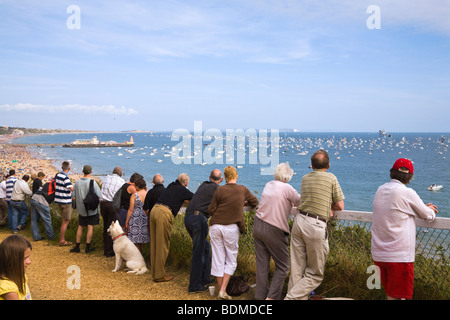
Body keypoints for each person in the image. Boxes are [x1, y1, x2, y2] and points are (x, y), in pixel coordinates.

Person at [371, 158, 438, 300]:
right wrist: (428, 209)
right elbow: (428, 216)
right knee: (401, 297)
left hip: (379, 254)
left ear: (392, 173)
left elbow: (396, 208)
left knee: (390, 295)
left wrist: (416, 209)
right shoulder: (408, 193)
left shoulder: (380, 189)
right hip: (398, 256)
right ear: (410, 177)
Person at [285, 150, 344, 300]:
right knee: (315, 274)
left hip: (299, 221)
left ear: (311, 165)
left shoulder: (305, 178)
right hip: (315, 225)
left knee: (297, 269)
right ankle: (290, 298)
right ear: (329, 165)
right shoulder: (331, 178)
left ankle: (293, 296)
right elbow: (340, 205)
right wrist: (328, 206)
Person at [208, 166, 259, 300]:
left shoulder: (220, 189)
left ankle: (221, 291)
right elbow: (255, 202)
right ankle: (223, 291)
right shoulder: (242, 189)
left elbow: (211, 209)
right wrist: (242, 202)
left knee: (218, 259)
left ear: (224, 177)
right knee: (231, 260)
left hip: (216, 226)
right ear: (236, 176)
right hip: (230, 227)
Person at [253, 162, 301, 300]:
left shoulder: (269, 184)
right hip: (273, 228)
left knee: (262, 265)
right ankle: (272, 297)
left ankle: (260, 297)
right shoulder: (287, 188)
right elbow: (299, 201)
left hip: (258, 224)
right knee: (283, 265)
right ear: (287, 177)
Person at [149, 173, 194, 282]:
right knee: (162, 244)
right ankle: (159, 275)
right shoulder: (183, 190)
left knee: (154, 243)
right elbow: (194, 197)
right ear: (186, 183)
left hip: (154, 209)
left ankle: (155, 272)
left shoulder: (171, 185)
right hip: (164, 213)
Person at [184, 169, 223, 294]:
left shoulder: (203, 185)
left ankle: (205, 278)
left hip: (188, 218)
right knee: (198, 252)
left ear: (209, 177)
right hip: (199, 220)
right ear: (220, 180)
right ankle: (194, 286)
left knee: (205, 247)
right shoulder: (217, 189)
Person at [70, 165, 101, 253]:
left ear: (82, 171)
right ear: (91, 172)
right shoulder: (92, 182)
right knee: (90, 226)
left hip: (81, 209)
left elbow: (73, 197)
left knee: (80, 226)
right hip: (91, 208)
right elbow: (99, 195)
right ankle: (87, 247)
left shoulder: (77, 182)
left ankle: (77, 246)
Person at [100, 167, 126, 257]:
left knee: (105, 226)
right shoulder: (121, 182)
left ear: (112, 172)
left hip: (103, 204)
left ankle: (105, 247)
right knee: (112, 228)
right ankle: (110, 251)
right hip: (112, 205)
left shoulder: (106, 178)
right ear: (121, 174)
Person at [0, 234, 32, 300]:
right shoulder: (9, 289)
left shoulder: (20, 274)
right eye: (25, 258)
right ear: (11, 261)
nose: (29, 261)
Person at [125, 177, 149, 252]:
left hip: (135, 218)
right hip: (145, 217)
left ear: (137, 186)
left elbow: (130, 209)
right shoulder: (147, 194)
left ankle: (137, 258)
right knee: (141, 240)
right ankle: (141, 256)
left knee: (135, 241)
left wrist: (126, 222)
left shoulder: (134, 195)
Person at [30, 174, 56, 241]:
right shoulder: (56, 183)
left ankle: (36, 236)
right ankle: (51, 236)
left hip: (34, 198)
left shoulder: (50, 181)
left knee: (34, 220)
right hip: (42, 201)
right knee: (47, 219)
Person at [55, 161, 73, 246]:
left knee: (64, 220)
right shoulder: (65, 177)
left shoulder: (58, 175)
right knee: (66, 221)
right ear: (69, 168)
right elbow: (71, 188)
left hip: (59, 200)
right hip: (65, 201)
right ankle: (62, 240)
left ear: (62, 168)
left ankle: (61, 239)